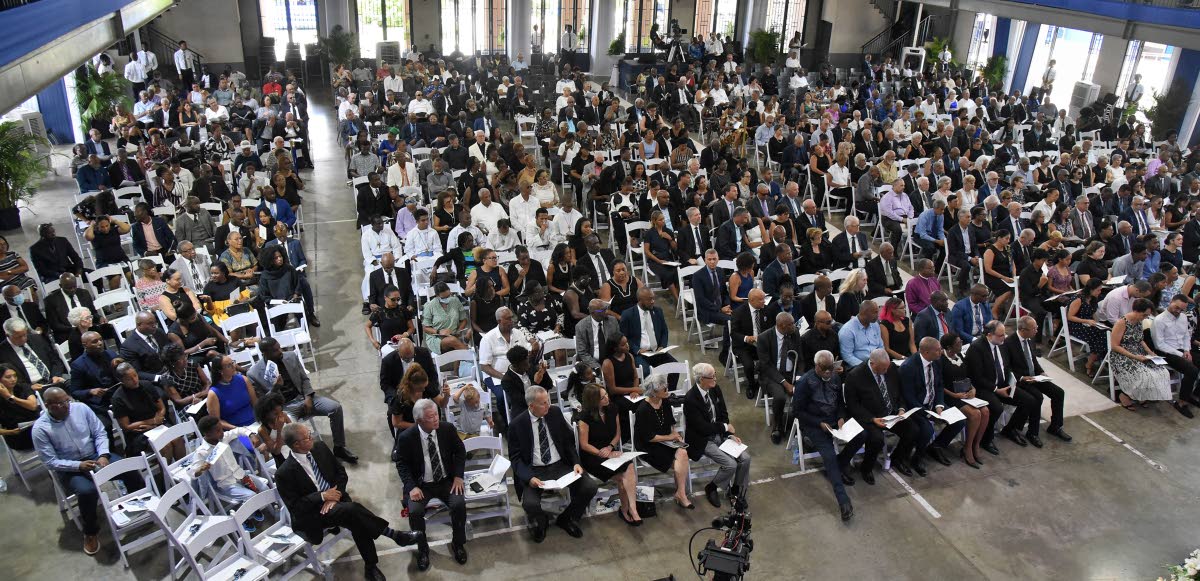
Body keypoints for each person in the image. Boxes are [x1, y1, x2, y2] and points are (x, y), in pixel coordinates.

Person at [277, 422, 423, 581]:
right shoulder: (284, 473)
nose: (312, 438)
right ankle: (393, 537)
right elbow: (296, 508)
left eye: (310, 433)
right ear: (296, 444)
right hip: (314, 513)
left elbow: (341, 473)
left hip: (337, 500)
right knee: (353, 511)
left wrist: (336, 495)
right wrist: (323, 496)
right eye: (307, 437)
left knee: (356, 518)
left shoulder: (319, 448)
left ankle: (372, 565)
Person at [33, 387, 145, 555]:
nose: (66, 405)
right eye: (60, 403)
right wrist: (78, 466)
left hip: (94, 454)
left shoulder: (81, 408)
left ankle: (137, 506)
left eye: (67, 400)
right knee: (87, 491)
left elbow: (100, 433)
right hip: (70, 466)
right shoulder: (40, 429)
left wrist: (103, 454)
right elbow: (50, 461)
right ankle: (90, 532)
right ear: (48, 405)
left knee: (128, 469)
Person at [508, 385, 598, 542]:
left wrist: (576, 463)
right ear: (531, 406)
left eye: (548, 401)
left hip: (560, 465)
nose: (548, 405)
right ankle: (541, 521)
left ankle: (567, 518)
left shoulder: (555, 413)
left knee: (589, 487)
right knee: (530, 504)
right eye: (543, 403)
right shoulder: (517, 425)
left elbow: (568, 442)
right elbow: (515, 459)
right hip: (535, 470)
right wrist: (529, 478)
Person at [248, 338, 358, 463]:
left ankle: (339, 448)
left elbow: (304, 379)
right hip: (285, 408)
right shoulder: (254, 373)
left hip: (303, 397)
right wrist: (275, 388)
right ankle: (310, 462)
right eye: (275, 350)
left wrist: (308, 397)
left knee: (335, 408)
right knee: (295, 433)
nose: (280, 351)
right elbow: (263, 403)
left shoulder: (290, 356)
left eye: (279, 347)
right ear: (265, 353)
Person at [393, 398, 469, 570]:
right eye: (430, 417)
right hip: (421, 485)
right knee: (414, 511)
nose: (436, 419)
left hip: (446, 480)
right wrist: (411, 486)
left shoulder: (447, 429)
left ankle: (458, 543)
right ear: (419, 421)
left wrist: (458, 476)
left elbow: (460, 451)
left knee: (459, 505)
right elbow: (401, 464)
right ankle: (423, 550)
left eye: (436, 414)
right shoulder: (406, 437)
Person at [792, 350, 861, 521]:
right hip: (815, 424)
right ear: (817, 366)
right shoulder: (804, 383)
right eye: (824, 369)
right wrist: (819, 423)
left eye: (831, 369)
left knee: (861, 435)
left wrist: (841, 416)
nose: (828, 373)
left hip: (834, 421)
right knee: (829, 457)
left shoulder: (835, 378)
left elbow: (840, 403)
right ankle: (844, 501)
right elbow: (797, 411)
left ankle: (840, 464)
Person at [844, 349, 921, 481]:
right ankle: (866, 468)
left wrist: (902, 408)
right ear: (872, 364)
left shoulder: (890, 367)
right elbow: (853, 405)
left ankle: (898, 458)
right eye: (883, 369)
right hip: (870, 416)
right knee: (876, 439)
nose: (886, 371)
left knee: (913, 430)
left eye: (887, 368)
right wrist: (872, 419)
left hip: (891, 413)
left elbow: (899, 391)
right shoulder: (855, 376)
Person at [684, 362, 751, 506]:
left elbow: (724, 414)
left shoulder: (715, 389)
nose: (715, 378)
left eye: (715, 375)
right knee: (730, 464)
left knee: (745, 458)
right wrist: (725, 427)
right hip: (703, 439)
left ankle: (735, 490)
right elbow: (702, 428)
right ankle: (712, 487)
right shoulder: (690, 399)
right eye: (711, 376)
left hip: (720, 435)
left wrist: (728, 434)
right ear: (701, 379)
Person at [575, 383, 642, 525]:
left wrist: (610, 447)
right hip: (592, 455)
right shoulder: (585, 417)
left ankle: (631, 509)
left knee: (629, 468)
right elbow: (584, 444)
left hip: (610, 449)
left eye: (606, 394)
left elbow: (618, 433)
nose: (607, 398)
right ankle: (626, 510)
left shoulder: (612, 408)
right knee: (623, 478)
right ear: (593, 401)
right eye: (602, 397)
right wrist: (604, 453)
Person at [898, 337, 964, 470]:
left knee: (959, 421)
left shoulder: (936, 361)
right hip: (916, 406)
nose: (941, 352)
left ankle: (937, 446)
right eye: (938, 350)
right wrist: (927, 414)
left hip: (933, 402)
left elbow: (939, 385)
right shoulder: (908, 367)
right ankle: (916, 458)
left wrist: (939, 405)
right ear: (926, 352)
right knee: (927, 430)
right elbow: (908, 396)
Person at [632, 374, 695, 509]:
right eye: (664, 389)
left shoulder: (664, 401)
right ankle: (681, 494)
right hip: (649, 446)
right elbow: (649, 437)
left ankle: (680, 493)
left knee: (683, 453)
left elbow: (670, 423)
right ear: (654, 392)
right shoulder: (643, 409)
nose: (667, 390)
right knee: (680, 460)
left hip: (665, 440)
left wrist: (675, 436)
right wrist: (670, 437)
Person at [1109, 298, 1174, 410]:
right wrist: (1134, 356)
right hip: (1122, 355)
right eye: (1144, 315)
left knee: (1163, 372)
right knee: (1143, 375)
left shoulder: (1139, 321)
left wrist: (1150, 352)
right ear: (1136, 311)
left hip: (1138, 353)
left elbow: (1140, 340)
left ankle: (1142, 395)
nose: (1145, 317)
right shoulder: (1121, 323)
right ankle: (1125, 395)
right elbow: (1115, 346)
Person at [0, 317, 67, 388]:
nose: (23, 339)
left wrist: (56, 375)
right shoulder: (2, 352)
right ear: (7, 335)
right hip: (32, 388)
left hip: (54, 379)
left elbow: (55, 360)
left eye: (24, 335)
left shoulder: (37, 338)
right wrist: (29, 387)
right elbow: (7, 379)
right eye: (18, 337)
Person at [0, 363, 39, 452]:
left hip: (37, 425)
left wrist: (10, 397)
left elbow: (33, 406)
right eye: (8, 377)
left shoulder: (23, 387)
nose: (13, 379)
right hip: (18, 435)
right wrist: (10, 432)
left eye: (14, 376)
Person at [839, 300, 883, 367]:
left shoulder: (875, 325)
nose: (878, 315)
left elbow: (881, 346)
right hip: (858, 367)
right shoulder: (847, 330)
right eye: (875, 312)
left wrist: (881, 361)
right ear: (864, 313)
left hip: (877, 363)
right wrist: (867, 367)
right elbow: (847, 356)